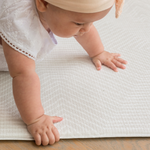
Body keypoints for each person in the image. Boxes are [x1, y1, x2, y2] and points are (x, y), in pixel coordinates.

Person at [0, 0, 127, 146]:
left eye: (91, 22)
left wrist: (98, 52)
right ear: (43, 4)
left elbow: (84, 30)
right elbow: (23, 74)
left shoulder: (55, 10)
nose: (86, 29)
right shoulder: (20, 25)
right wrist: (36, 119)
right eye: (79, 24)